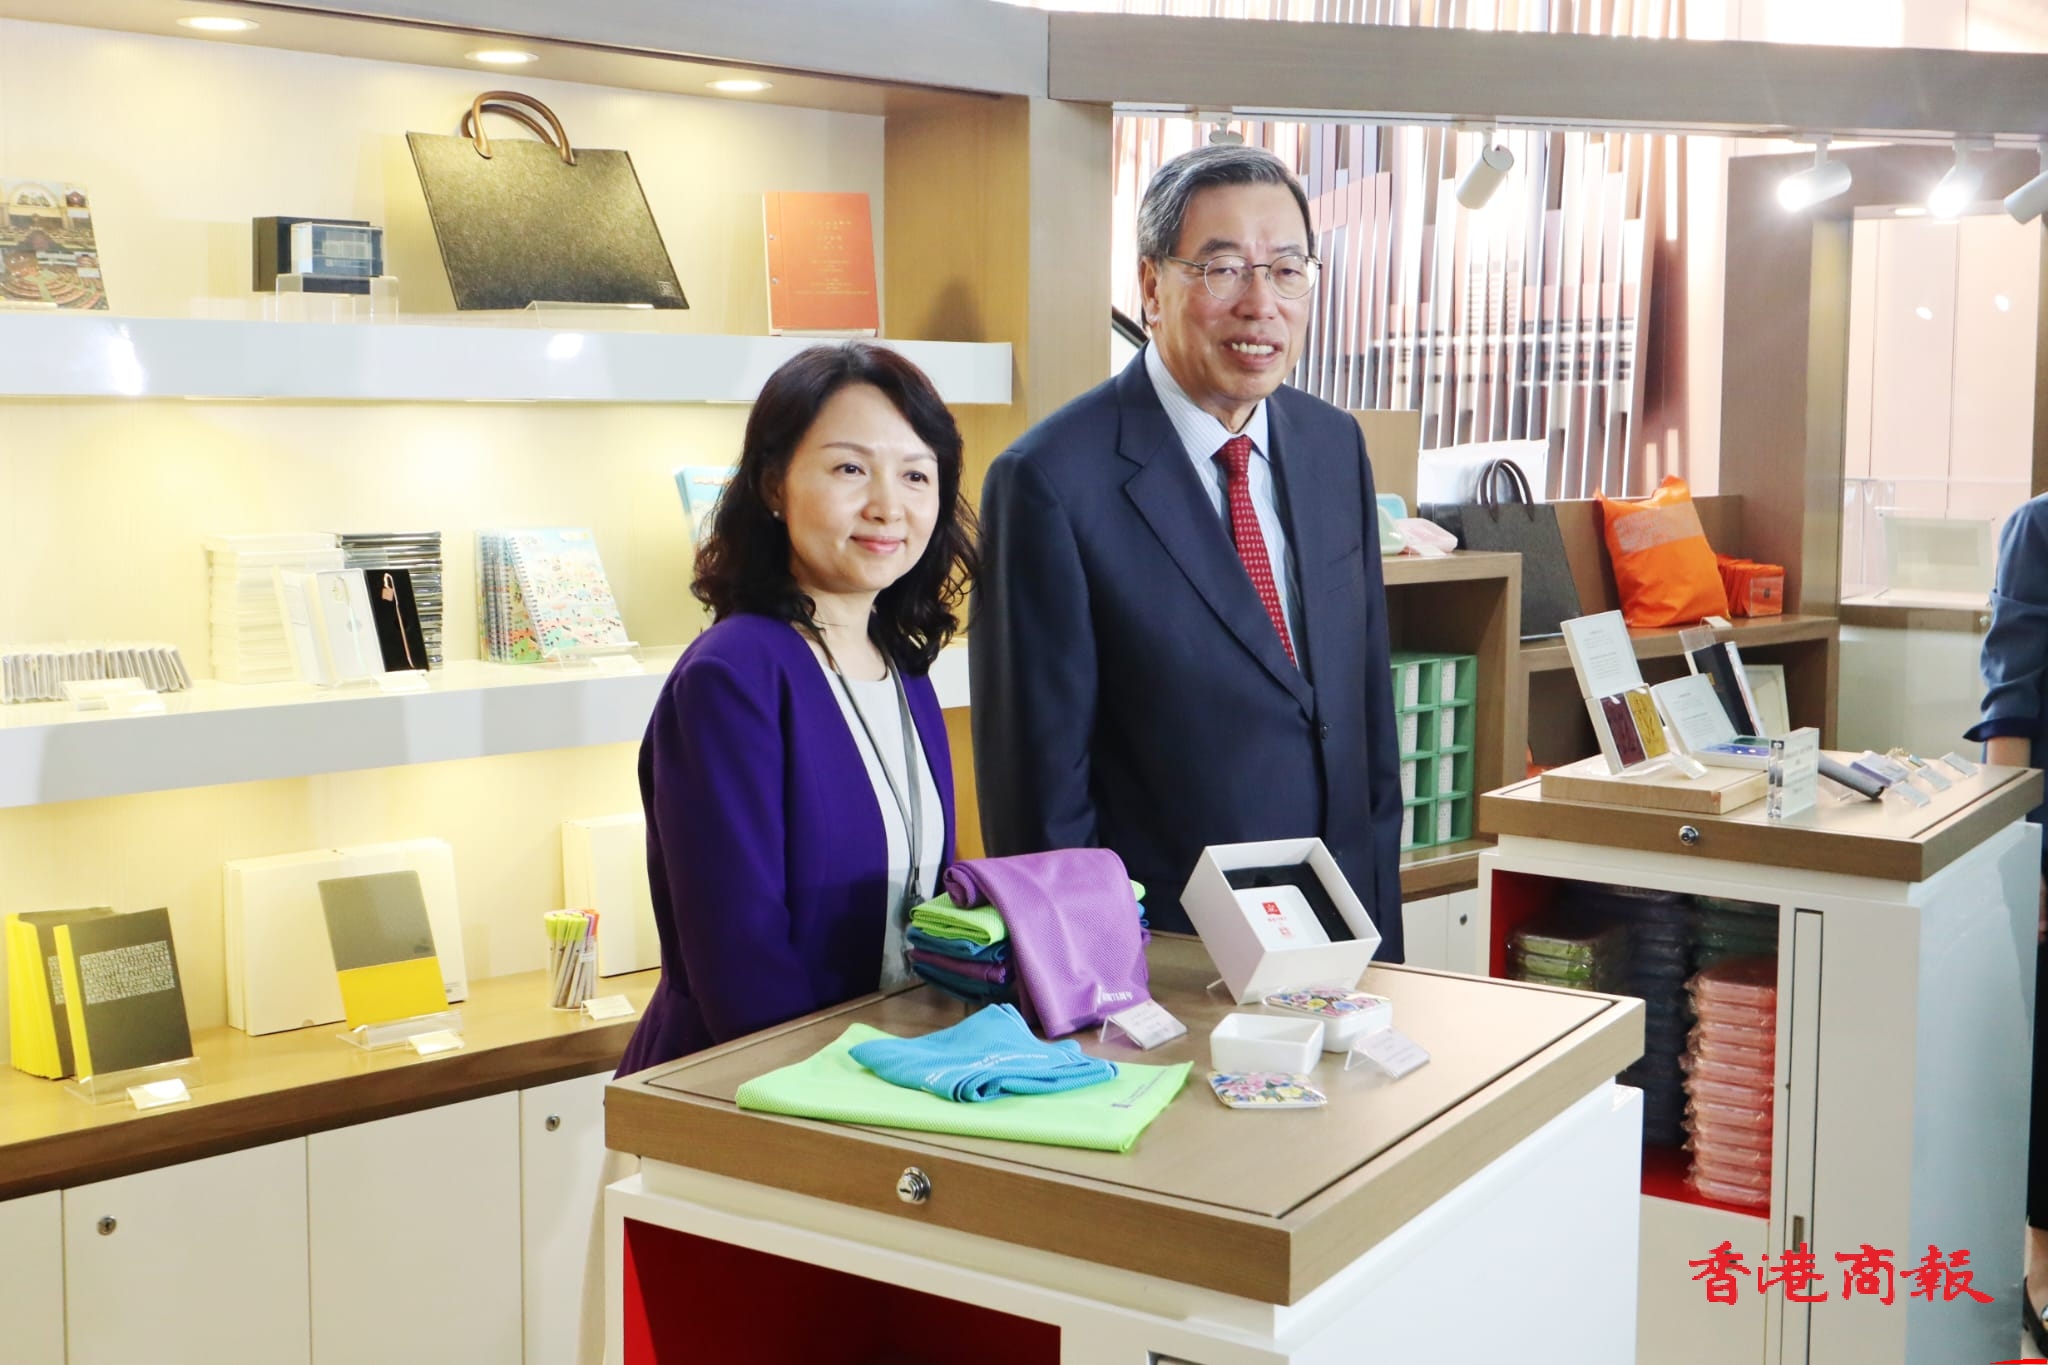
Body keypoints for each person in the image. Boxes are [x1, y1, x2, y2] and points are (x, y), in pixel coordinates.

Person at [970, 143, 1403, 954]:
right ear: (1150, 286)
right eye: (1223, 270)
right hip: (1169, 956)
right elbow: (1038, 798)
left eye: (1287, 270)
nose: (1260, 304)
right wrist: (1097, 989)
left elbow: (1367, 726)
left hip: (1343, 940)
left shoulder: (1333, 445)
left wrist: (1383, 956)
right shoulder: (1050, 481)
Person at [617, 342, 978, 1073]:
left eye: (916, 474)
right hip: (756, 1087)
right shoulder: (732, 675)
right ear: (772, 485)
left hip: (887, 1069)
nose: (887, 505)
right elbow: (738, 956)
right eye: (850, 469)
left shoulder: (902, 664)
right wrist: (830, 1094)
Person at [1967, 492, 2048, 1350]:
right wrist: (2024, 853)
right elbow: (2011, 701)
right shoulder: (2041, 527)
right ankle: (2038, 1269)